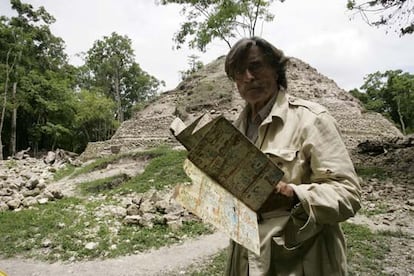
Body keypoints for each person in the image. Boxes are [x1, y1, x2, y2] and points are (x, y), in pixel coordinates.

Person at [224, 37, 362, 275]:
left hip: (300, 262)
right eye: (239, 72)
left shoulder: (312, 119)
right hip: (247, 260)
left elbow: (348, 194)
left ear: (277, 69)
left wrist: (293, 195)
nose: (248, 77)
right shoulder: (235, 131)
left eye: (255, 66)